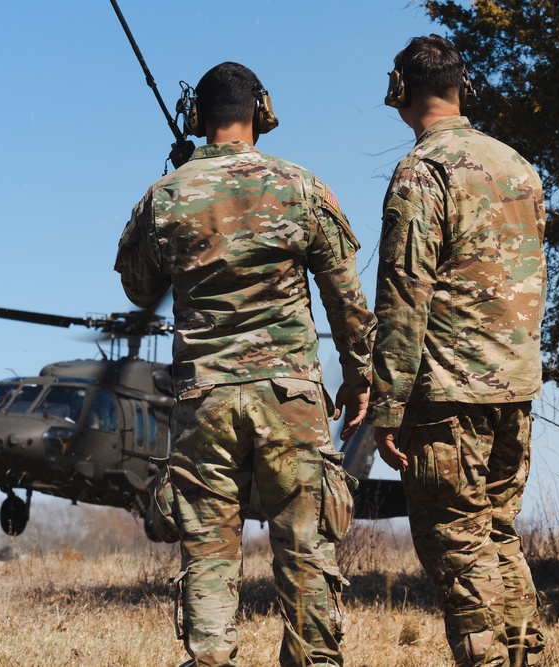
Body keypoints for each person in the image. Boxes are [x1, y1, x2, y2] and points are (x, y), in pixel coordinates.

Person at [114, 61, 375, 667]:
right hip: (290, 400)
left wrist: (175, 183)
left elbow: (136, 285)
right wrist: (362, 380)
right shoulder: (301, 186)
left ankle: (209, 657)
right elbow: (346, 299)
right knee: (307, 544)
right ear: (261, 112)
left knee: (206, 545)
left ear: (197, 118)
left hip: (204, 401)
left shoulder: (167, 196)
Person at [366, 35, 547, 667]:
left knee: (457, 546)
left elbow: (402, 294)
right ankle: (524, 653)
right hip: (516, 390)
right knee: (498, 535)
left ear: (400, 91)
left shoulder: (424, 170)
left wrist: (386, 407)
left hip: (449, 397)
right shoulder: (518, 165)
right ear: (459, 85)